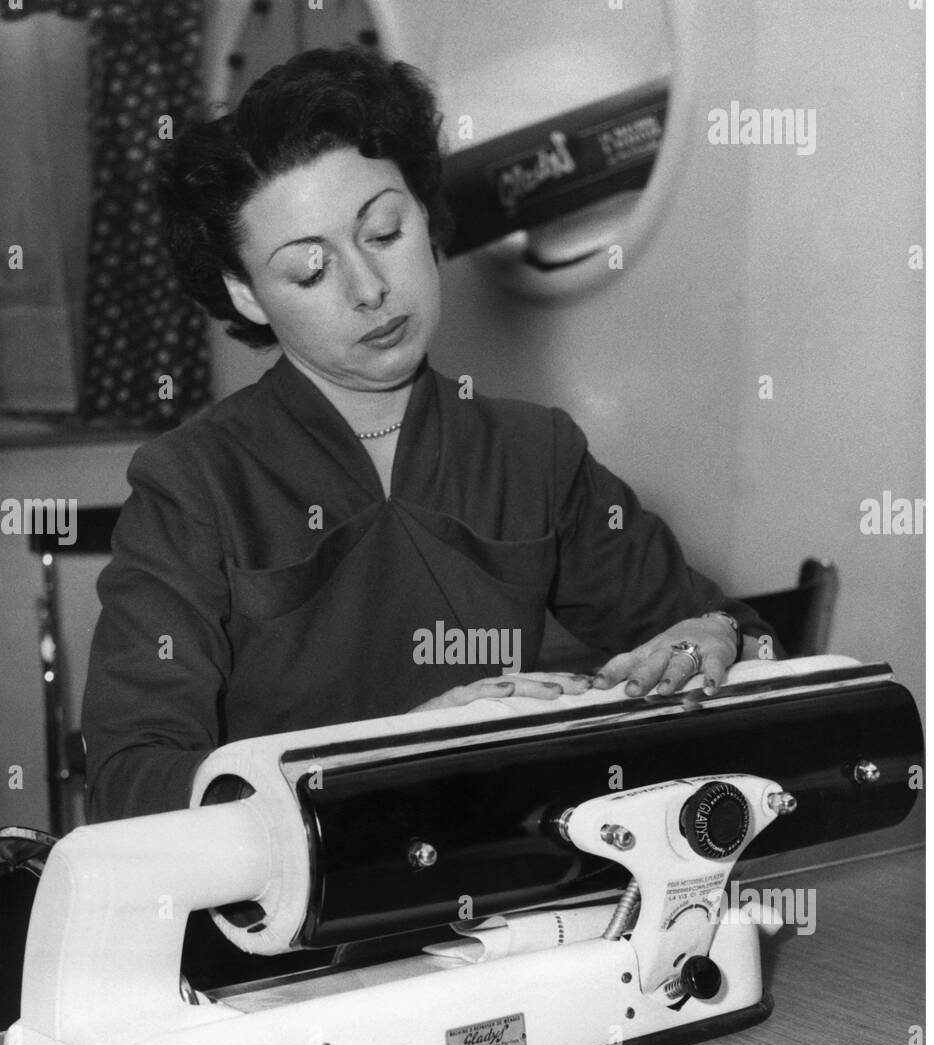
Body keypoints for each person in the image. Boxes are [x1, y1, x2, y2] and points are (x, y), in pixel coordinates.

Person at [82, 45, 773, 826]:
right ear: (245, 295)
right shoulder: (194, 484)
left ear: (425, 213)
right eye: (309, 271)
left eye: (383, 231)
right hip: (295, 922)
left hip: (506, 895)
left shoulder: (533, 453)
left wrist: (709, 638)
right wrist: (387, 753)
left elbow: (722, 632)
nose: (369, 289)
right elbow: (129, 782)